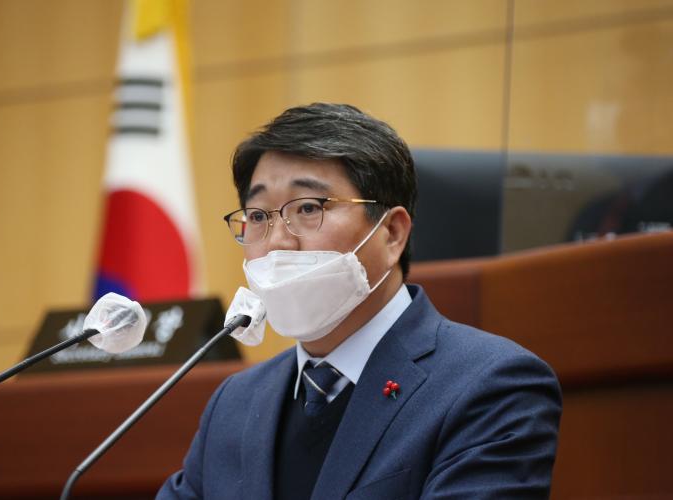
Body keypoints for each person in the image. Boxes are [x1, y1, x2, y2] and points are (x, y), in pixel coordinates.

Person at [157, 103, 562, 499]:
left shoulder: (489, 386)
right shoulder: (235, 403)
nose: (278, 242)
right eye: (259, 216)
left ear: (392, 233)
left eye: (308, 208)